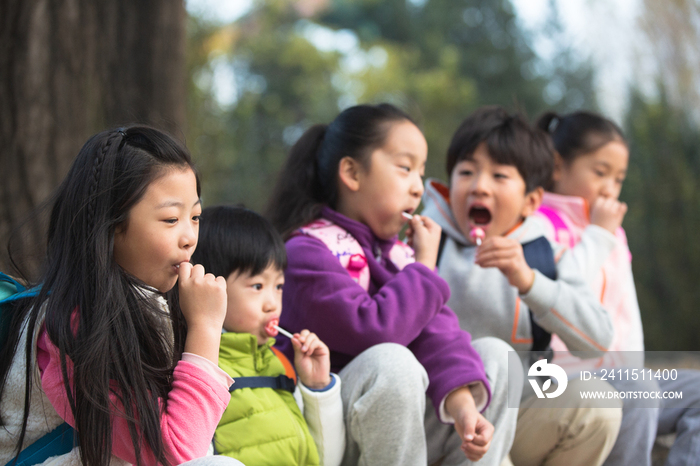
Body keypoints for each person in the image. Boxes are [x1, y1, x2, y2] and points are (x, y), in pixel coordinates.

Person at [266, 103, 519, 466]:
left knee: (498, 356)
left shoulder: (398, 255)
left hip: (396, 431)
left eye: (421, 172)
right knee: (392, 362)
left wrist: (464, 407)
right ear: (352, 173)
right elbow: (374, 330)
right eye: (405, 168)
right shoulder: (307, 251)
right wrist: (425, 268)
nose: (418, 188)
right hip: (327, 434)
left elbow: (440, 335)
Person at [0, 126, 242, 466]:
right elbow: (175, 451)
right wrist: (205, 328)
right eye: (171, 219)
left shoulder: (152, 303)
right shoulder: (72, 325)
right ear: (111, 226)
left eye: (196, 217)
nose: (189, 237)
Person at [421, 106, 623, 466]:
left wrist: (529, 281)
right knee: (492, 354)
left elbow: (596, 340)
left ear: (531, 200)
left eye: (499, 176)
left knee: (598, 403)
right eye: (466, 172)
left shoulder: (547, 255)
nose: (479, 185)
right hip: (437, 418)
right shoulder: (423, 243)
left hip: (517, 421)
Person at [534, 110, 700, 466]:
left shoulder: (612, 233)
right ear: (558, 165)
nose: (610, 187)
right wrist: (597, 235)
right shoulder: (539, 226)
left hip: (621, 376)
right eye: (600, 173)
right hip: (563, 379)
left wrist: (634, 370)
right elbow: (559, 295)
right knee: (638, 393)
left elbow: (627, 312)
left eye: (618, 178)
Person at [190, 205, 345, 465]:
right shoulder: (201, 369)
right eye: (258, 286)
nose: (272, 303)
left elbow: (326, 460)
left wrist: (317, 388)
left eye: (279, 286)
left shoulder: (281, 365)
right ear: (210, 285)